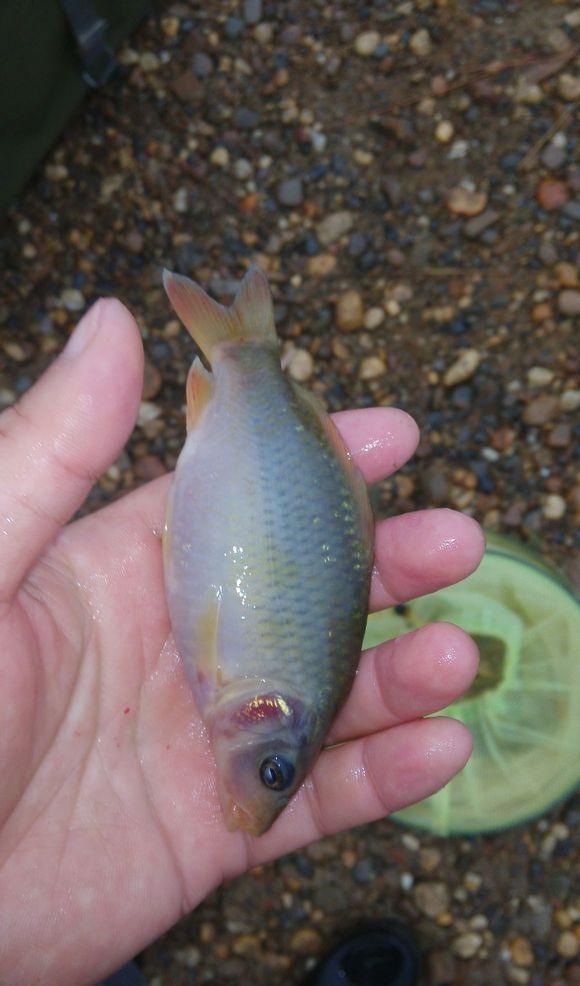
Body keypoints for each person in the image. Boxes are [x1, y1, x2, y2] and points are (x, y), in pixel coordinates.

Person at [0, 299, 483, 986]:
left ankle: (245, 357)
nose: (256, 793)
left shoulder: (260, 687)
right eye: (272, 774)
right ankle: (247, 356)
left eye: (274, 775)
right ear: (271, 713)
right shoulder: (246, 681)